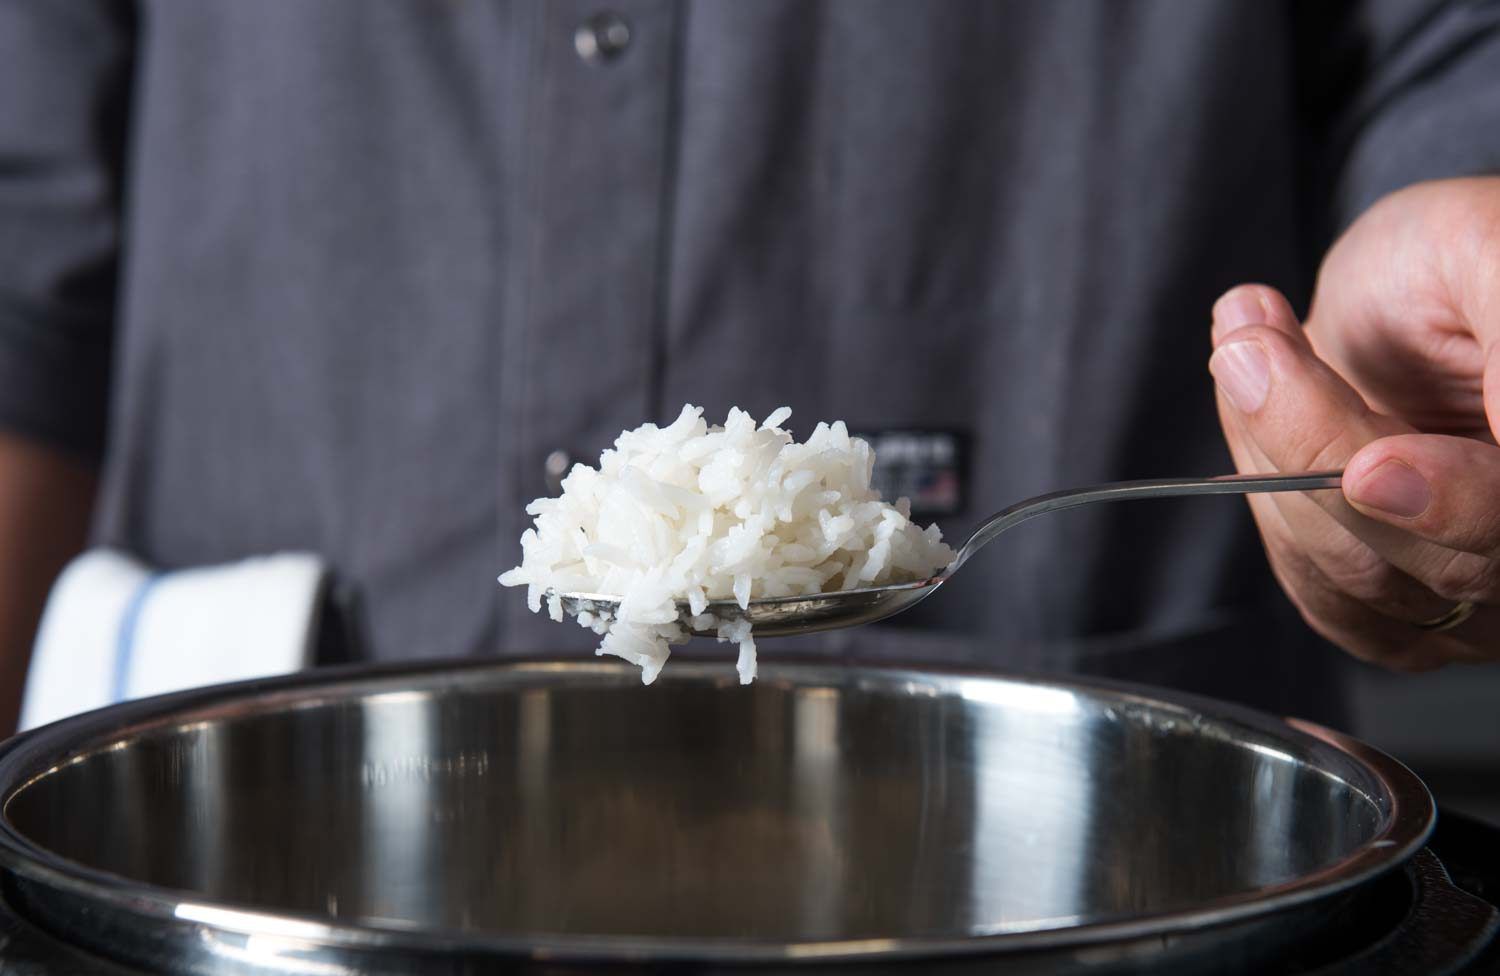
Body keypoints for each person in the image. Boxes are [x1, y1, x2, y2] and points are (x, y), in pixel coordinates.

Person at [1, 0, 1497, 735]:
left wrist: (1434, 258)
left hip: (1103, 952)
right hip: (245, 874)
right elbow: (20, 264)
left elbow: (1444, 44)